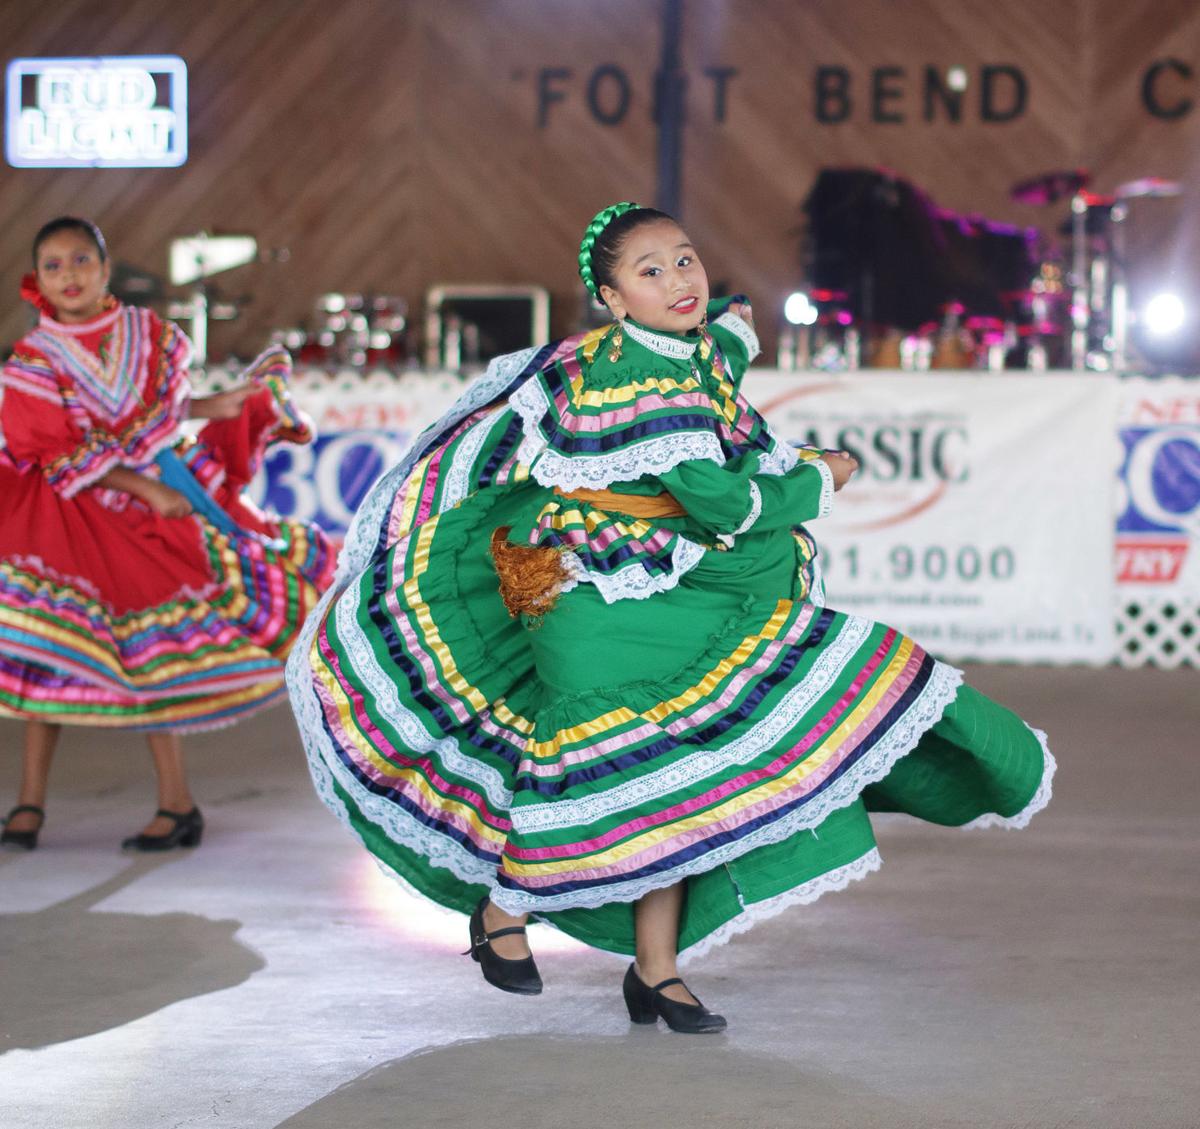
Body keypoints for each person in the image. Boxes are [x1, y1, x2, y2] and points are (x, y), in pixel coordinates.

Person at [287, 202, 1054, 1033]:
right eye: (649, 272)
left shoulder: (683, 354)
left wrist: (733, 330)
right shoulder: (639, 378)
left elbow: (714, 351)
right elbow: (719, 499)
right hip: (585, 596)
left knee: (671, 777)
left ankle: (654, 970)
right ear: (613, 301)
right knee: (607, 766)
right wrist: (821, 475)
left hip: (655, 580)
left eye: (684, 260)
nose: (678, 280)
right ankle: (506, 908)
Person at [0, 216, 335, 851]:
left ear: (104, 270)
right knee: (51, 646)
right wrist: (149, 488)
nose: (68, 274)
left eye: (80, 261)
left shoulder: (144, 335)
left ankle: (176, 802)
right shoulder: (35, 359)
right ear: (37, 280)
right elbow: (56, 451)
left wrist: (220, 405)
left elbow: (149, 415)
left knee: (151, 650)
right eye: (53, 265)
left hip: (144, 509)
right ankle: (29, 802)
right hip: (71, 512)